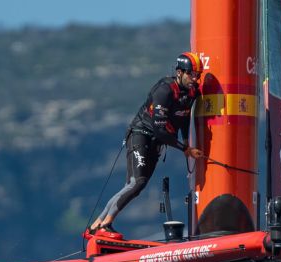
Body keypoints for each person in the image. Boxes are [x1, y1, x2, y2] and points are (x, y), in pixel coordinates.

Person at [87, 52, 206, 239]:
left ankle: (95, 227)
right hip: (141, 134)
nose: (195, 78)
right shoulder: (165, 90)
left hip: (156, 142)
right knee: (137, 183)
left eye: (198, 75)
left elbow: (183, 119)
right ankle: (105, 225)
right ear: (179, 72)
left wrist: (186, 142)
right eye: (192, 74)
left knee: (134, 186)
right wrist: (186, 149)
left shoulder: (192, 93)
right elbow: (159, 130)